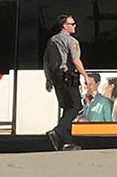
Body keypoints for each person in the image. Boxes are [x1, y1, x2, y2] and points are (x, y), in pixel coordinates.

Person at [43, 14, 90, 150]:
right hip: (68, 77)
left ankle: (67, 142)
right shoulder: (71, 41)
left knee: (67, 108)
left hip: (57, 78)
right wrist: (85, 76)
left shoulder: (52, 40)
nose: (75, 26)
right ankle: (57, 131)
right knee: (76, 107)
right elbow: (76, 60)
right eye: (72, 24)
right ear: (65, 25)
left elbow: (46, 61)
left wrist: (48, 79)